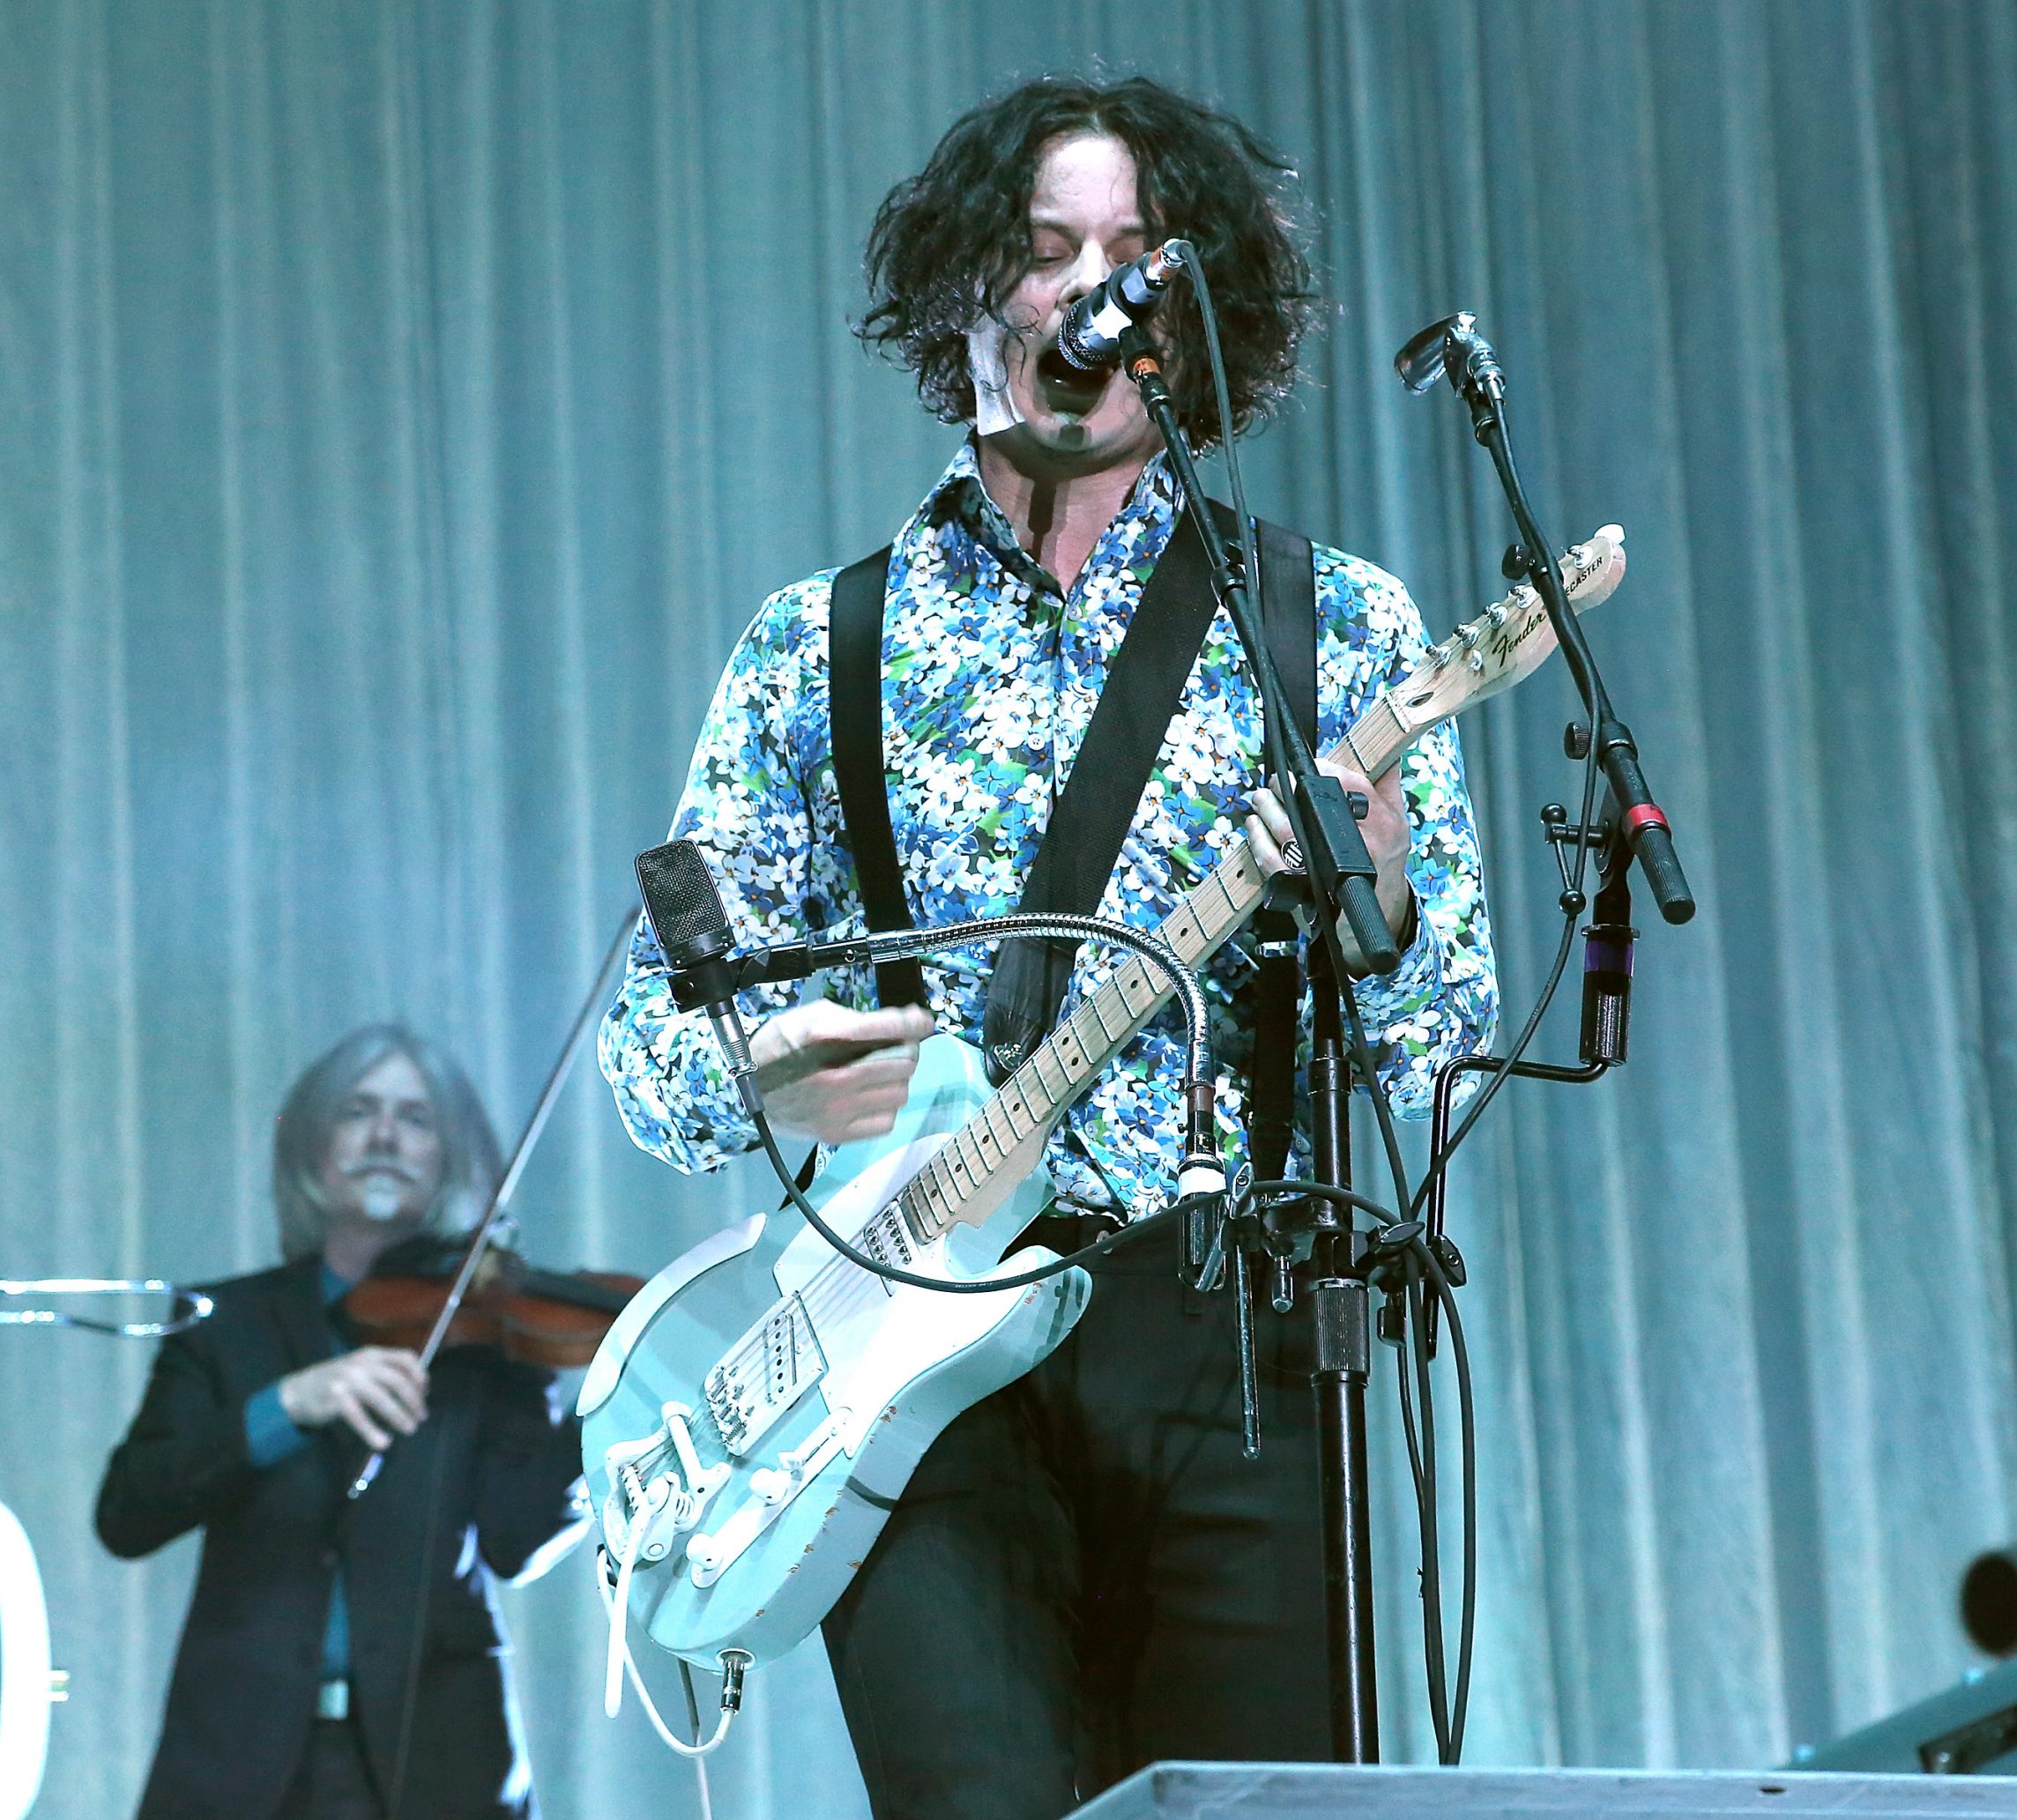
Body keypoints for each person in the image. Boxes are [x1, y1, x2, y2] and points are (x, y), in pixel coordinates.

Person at [599, 75, 1499, 1819]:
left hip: (1233, 1332)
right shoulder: (814, 646)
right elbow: (654, 1047)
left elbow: (1442, 1038)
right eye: (1042, 251)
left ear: (1193, 314)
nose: (1086, 292)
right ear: (966, 292)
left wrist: (1378, 910)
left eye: (1132, 259)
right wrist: (760, 1065)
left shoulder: (1331, 627)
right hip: (916, 1355)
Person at [98, 1026, 587, 1820]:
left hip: (442, 1767)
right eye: (359, 1111)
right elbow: (127, 1511)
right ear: (314, 1147)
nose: (386, 1136)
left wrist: (605, 1416)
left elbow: (518, 1542)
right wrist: (287, 1403)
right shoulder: (225, 1322)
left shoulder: (493, 1333)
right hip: (237, 1765)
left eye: (416, 1118)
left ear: (448, 1159)